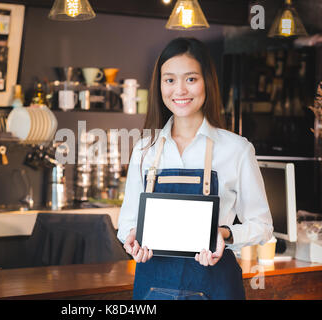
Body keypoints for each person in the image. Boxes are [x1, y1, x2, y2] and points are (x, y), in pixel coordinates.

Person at [117, 37, 273, 300]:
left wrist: (223, 234)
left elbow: (262, 225)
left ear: (207, 83)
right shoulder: (145, 150)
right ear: (159, 86)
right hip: (153, 289)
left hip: (215, 285)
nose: (180, 90)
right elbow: (126, 223)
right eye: (169, 80)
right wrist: (132, 238)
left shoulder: (236, 149)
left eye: (190, 79)